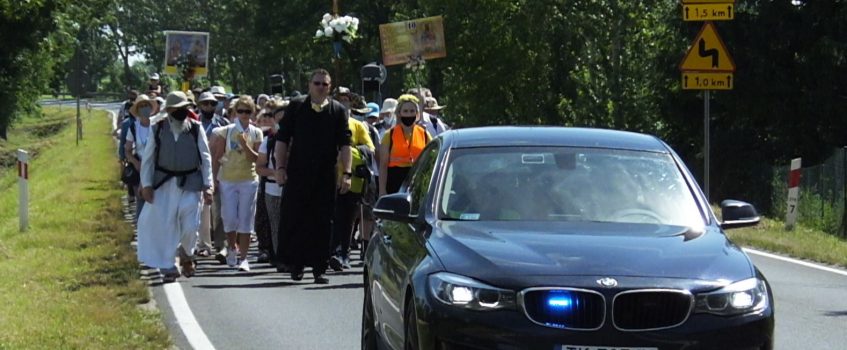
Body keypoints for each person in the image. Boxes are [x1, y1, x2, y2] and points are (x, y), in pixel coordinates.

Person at [273, 68, 352, 284]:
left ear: (330, 87)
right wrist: (280, 168)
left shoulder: (337, 111)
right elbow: (282, 139)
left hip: (325, 174)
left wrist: (346, 173)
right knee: (296, 217)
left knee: (324, 220)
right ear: (309, 85)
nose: (320, 87)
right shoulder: (297, 106)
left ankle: (320, 267)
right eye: (317, 83)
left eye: (324, 84)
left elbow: (345, 144)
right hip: (297, 173)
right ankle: (296, 265)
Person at [137, 91, 213, 283]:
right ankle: (168, 265)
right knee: (166, 226)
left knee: (190, 226)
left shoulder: (195, 128)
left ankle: (187, 253)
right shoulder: (158, 128)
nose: (183, 112)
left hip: (191, 183)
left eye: (185, 108)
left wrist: (208, 185)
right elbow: (148, 159)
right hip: (164, 184)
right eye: (178, 109)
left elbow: (205, 158)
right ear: (169, 110)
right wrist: (146, 184)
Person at [210, 95, 263, 272]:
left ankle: (244, 258)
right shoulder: (225, 131)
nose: (244, 115)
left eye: (248, 111)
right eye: (240, 111)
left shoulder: (256, 132)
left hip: (248, 179)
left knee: (246, 220)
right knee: (230, 218)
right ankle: (232, 248)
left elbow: (257, 159)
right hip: (227, 180)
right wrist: (213, 179)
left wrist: (244, 144)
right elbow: (217, 157)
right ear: (234, 112)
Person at [329, 106, 375, 271]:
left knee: (348, 219)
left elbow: (370, 149)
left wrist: (348, 150)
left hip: (353, 180)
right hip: (328, 178)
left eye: (345, 102)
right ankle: (330, 252)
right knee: (330, 217)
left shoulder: (357, 125)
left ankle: (344, 253)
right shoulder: (326, 121)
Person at [195, 92, 229, 258]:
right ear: (200, 105)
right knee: (202, 210)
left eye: (212, 104)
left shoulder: (223, 123)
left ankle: (221, 246)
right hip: (197, 170)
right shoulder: (193, 123)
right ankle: (204, 245)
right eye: (205, 104)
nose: (209, 107)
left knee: (220, 209)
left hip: (219, 170)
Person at [379, 94, 431, 196]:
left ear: (417, 113)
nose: (409, 115)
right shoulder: (389, 135)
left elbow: (431, 160)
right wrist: (382, 190)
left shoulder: (424, 134)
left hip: (417, 180)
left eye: (412, 111)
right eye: (405, 111)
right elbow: (383, 166)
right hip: (394, 181)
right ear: (399, 113)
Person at [256, 100, 287, 269]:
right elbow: (259, 168)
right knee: (276, 225)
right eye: (279, 120)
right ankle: (280, 258)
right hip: (272, 189)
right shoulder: (267, 142)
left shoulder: (300, 139)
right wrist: (274, 173)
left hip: (294, 190)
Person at [124, 94, 159, 222]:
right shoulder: (133, 127)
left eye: (146, 105)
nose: (144, 108)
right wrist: (135, 162)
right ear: (138, 110)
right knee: (141, 198)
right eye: (142, 106)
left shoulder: (157, 125)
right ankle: (140, 226)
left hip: (156, 167)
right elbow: (127, 150)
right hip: (140, 166)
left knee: (156, 199)